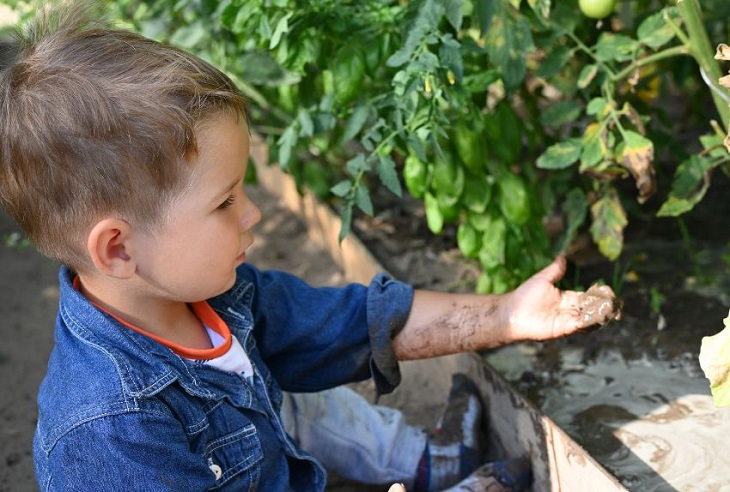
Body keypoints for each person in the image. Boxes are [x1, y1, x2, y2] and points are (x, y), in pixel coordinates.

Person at [0, 4, 620, 491]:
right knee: (289, 407)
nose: (254, 213)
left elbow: (354, 324)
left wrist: (509, 314)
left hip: (260, 444)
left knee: (295, 403)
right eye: (224, 203)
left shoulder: (216, 298)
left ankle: (428, 459)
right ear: (117, 250)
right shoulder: (109, 438)